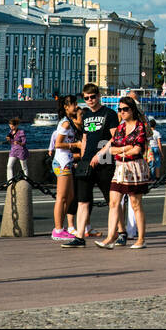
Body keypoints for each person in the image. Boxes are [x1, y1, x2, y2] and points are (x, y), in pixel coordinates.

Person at [62, 83, 118, 249]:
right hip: (87, 163)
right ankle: (79, 237)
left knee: (112, 200)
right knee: (83, 201)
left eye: (93, 97)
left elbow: (114, 138)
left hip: (105, 162)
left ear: (98, 96)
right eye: (86, 98)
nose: (90, 100)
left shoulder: (110, 114)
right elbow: (85, 138)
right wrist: (83, 158)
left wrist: (100, 154)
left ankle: (120, 232)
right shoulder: (85, 116)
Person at [99, 95, 151, 249]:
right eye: (119, 109)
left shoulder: (140, 126)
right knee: (114, 202)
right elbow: (112, 148)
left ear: (132, 110)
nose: (122, 112)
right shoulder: (120, 128)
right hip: (120, 168)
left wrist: (124, 149)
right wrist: (125, 148)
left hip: (134, 168)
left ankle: (141, 239)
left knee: (136, 204)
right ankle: (110, 237)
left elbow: (137, 150)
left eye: (125, 109)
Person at [49, 95, 82, 242]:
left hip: (67, 161)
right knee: (61, 197)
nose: (76, 107)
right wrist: (75, 146)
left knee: (69, 196)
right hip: (62, 163)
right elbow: (58, 144)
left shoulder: (69, 122)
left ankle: (60, 227)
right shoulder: (65, 124)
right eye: (73, 104)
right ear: (66, 107)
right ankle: (57, 229)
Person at [5, 117, 27, 182]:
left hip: (21, 151)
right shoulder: (10, 132)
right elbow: (11, 142)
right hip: (13, 151)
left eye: (12, 126)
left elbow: (24, 142)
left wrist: (18, 143)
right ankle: (10, 181)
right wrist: (8, 139)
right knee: (9, 166)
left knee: (24, 167)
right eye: (10, 126)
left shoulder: (21, 132)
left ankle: (26, 180)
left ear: (16, 125)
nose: (11, 128)